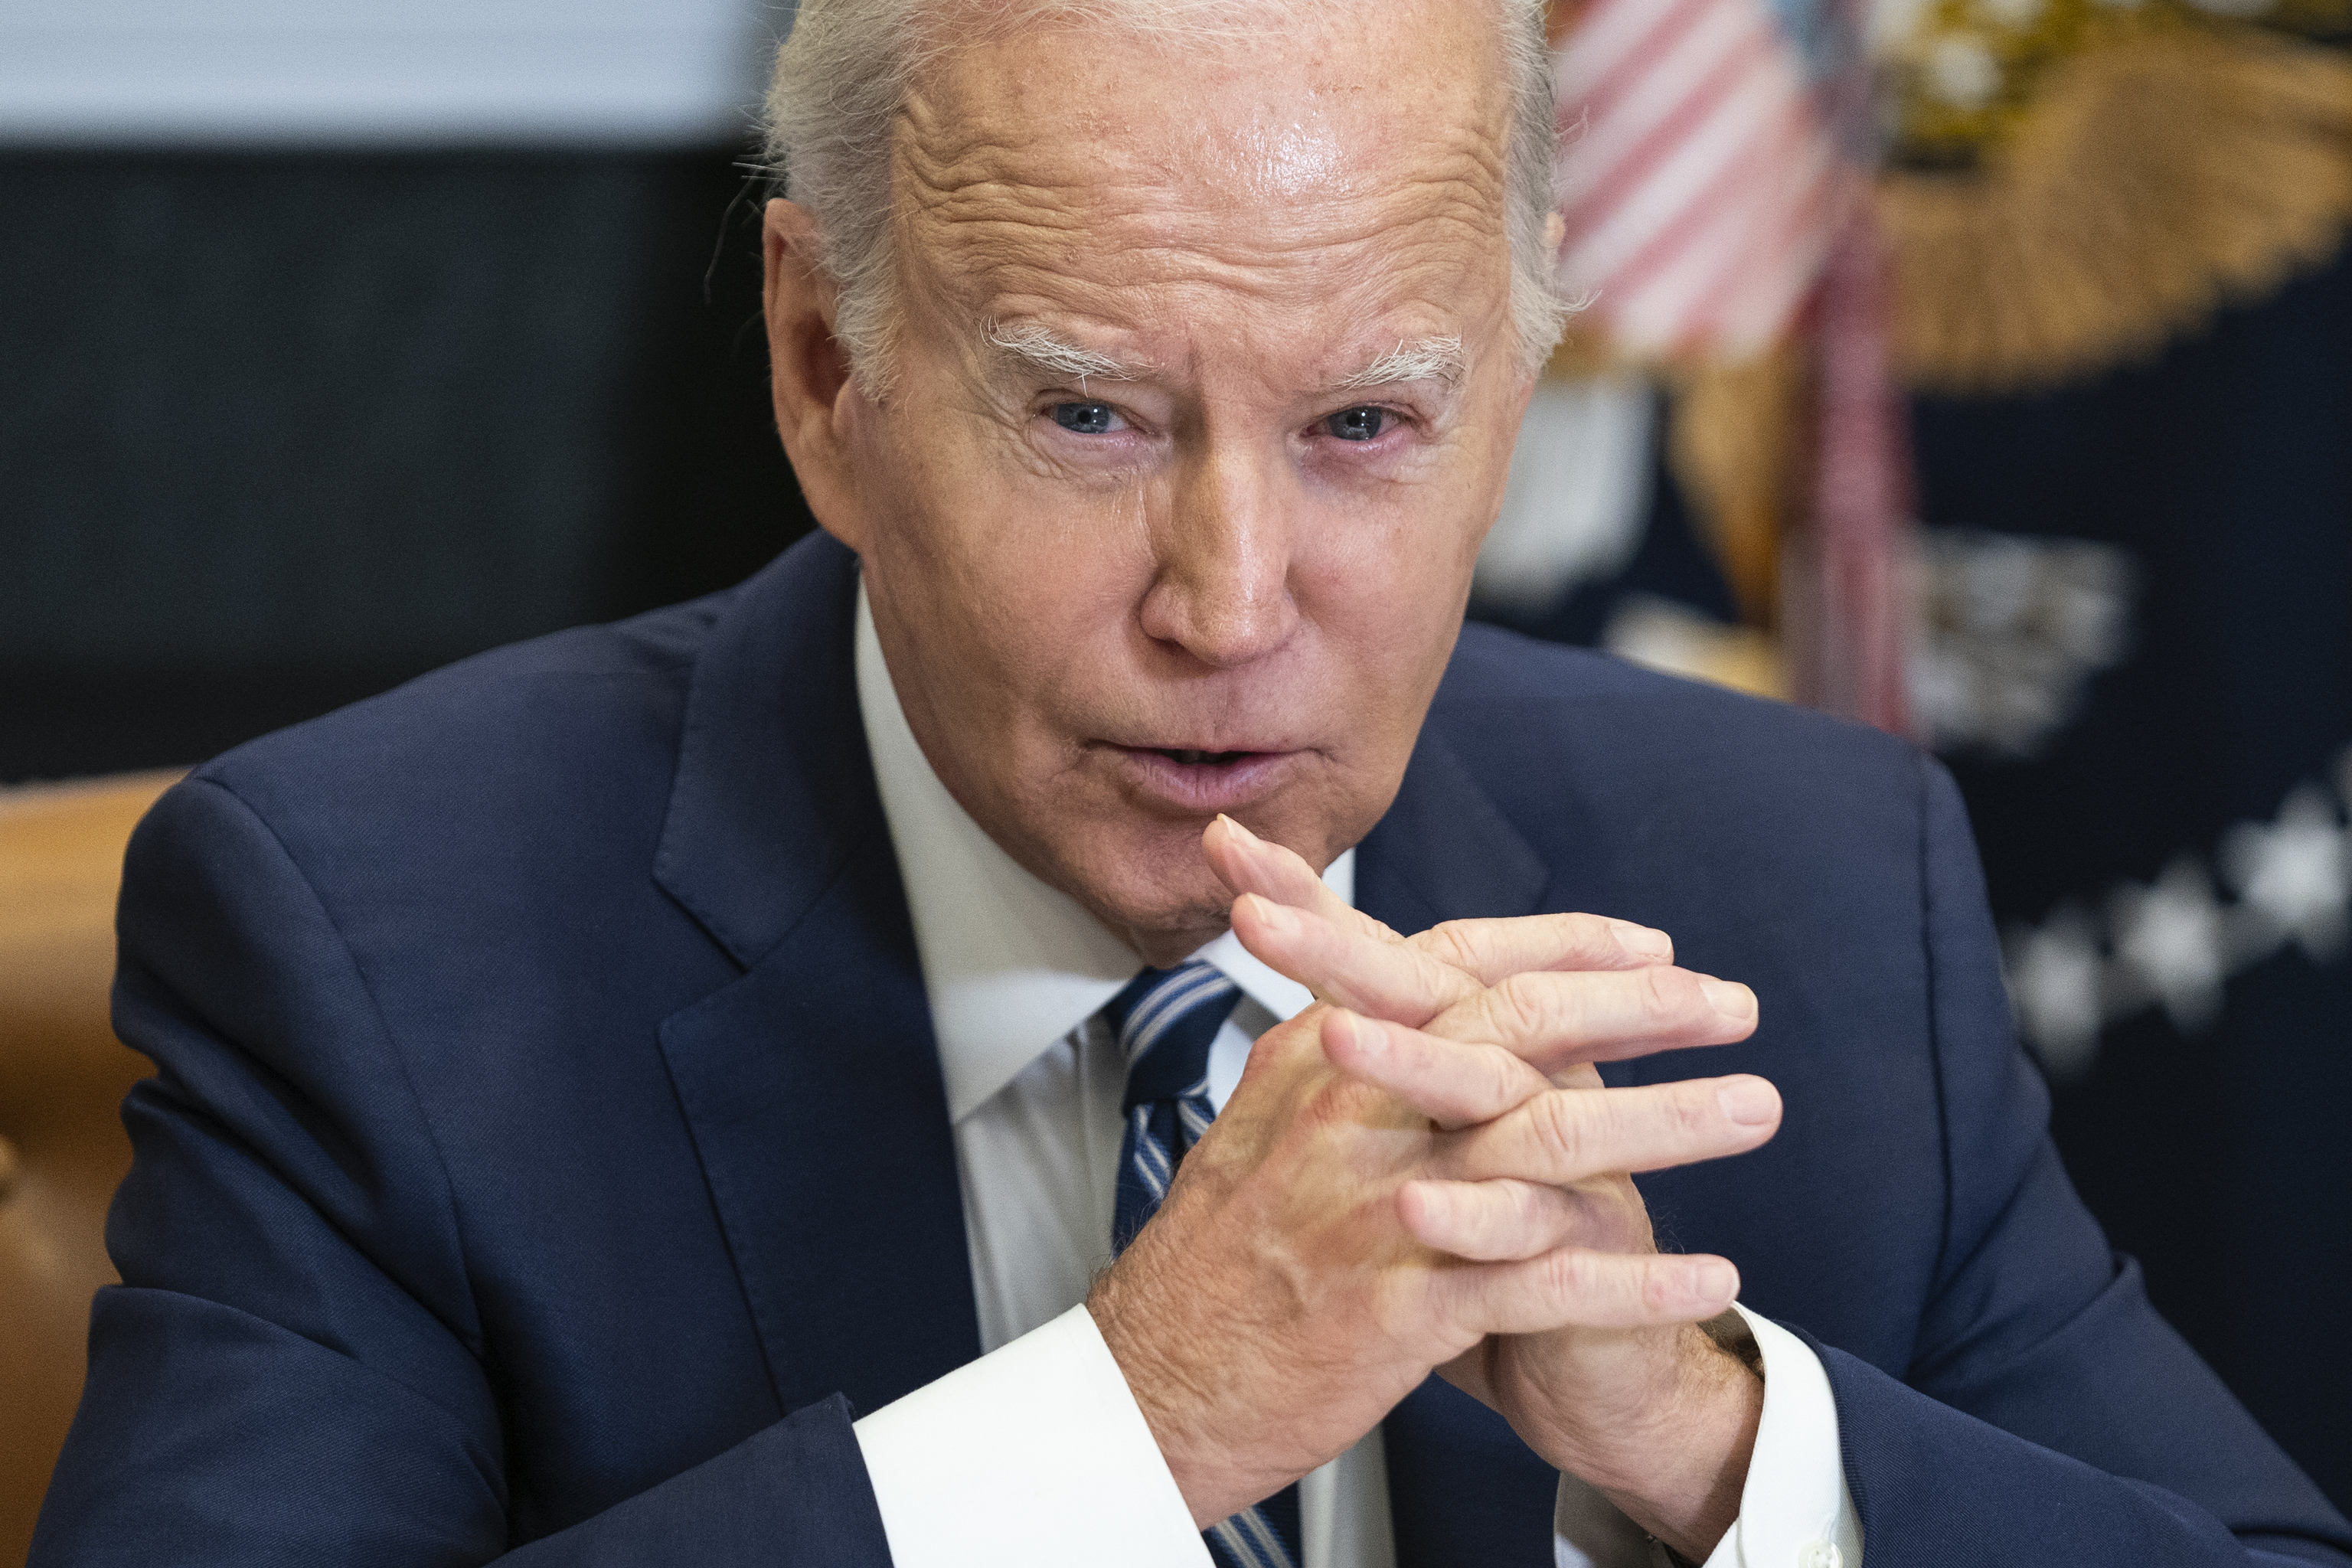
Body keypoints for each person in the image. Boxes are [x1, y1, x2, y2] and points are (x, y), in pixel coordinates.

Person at [30, 2, 2352, 1565]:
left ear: (1519, 388)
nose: (1230, 602)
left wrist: (1721, 1453)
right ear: (825, 367)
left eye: (1365, 425)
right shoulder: (367, 935)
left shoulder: (1797, 883)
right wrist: (1127, 1425)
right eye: (1089, 416)